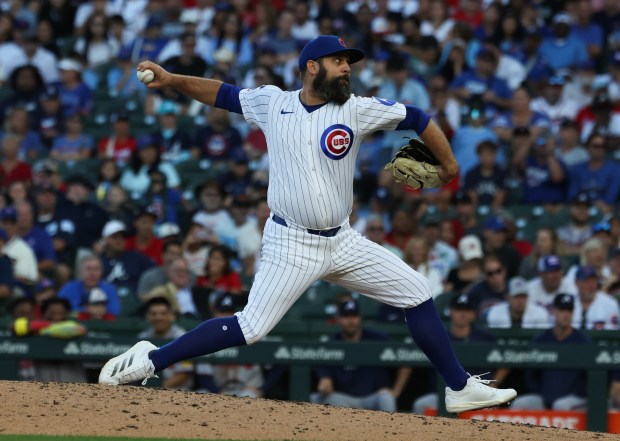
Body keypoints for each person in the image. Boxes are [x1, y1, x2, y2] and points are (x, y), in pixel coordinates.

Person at [99, 35, 517, 413]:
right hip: (291, 242)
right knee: (251, 327)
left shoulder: (357, 109)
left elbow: (418, 117)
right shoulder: (273, 103)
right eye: (338, 61)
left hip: (343, 240)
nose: (347, 68)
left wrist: (448, 165)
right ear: (312, 66)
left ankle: (459, 386)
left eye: (348, 62)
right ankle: (151, 359)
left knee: (417, 292)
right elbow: (221, 94)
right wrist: (172, 79)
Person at [413, 292, 509, 414]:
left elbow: (506, 359)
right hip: (446, 394)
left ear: (473, 314)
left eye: (467, 310)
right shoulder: (440, 336)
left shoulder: (486, 337)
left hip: (481, 395)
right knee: (421, 404)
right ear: (451, 311)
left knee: (492, 404)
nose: (462, 314)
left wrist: (494, 383)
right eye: (458, 309)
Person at [310, 298, 409, 411]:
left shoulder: (377, 338)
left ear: (360, 318)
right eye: (346, 317)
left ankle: (391, 429)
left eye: (354, 316)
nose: (351, 321)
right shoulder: (332, 343)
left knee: (386, 398)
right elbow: (325, 381)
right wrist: (325, 385)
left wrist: (395, 391)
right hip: (344, 400)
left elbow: (405, 360)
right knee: (316, 398)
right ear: (338, 319)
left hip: (372, 397)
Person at [510, 294, 590, 411]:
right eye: (562, 310)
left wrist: (578, 392)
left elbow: (590, 378)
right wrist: (542, 392)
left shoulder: (583, 341)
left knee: (560, 406)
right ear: (554, 311)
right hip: (544, 397)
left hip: (573, 398)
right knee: (519, 405)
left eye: (569, 310)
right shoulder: (541, 340)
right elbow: (530, 375)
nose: (565, 314)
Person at [138, 297, 193, 390]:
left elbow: (184, 374)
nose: (158, 318)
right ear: (147, 316)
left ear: (171, 315)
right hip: (148, 391)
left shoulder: (181, 337)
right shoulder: (143, 338)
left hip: (179, 392)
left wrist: (157, 389)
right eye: (154, 314)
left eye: (163, 313)